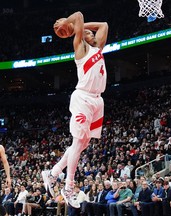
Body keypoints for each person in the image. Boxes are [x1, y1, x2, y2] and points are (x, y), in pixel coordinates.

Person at [41, 11, 108, 208]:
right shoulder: (80, 47)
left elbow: (103, 24)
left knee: (83, 143)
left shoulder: (98, 49)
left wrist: (82, 25)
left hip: (98, 101)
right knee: (78, 141)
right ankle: (68, 185)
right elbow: (78, 15)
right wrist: (71, 24)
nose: (91, 33)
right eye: (87, 32)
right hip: (83, 98)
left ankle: (52, 173)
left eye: (90, 32)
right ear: (80, 35)